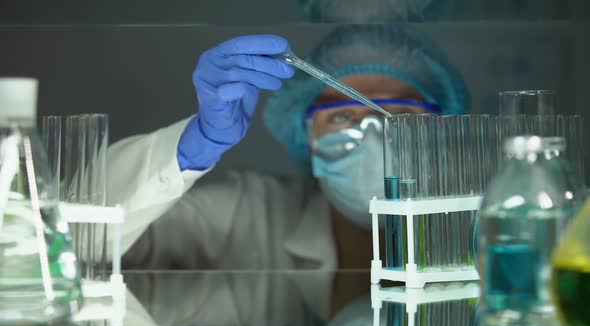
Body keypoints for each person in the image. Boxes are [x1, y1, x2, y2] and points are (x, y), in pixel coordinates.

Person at [106, 24, 468, 269]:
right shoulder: (250, 220)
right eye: (341, 116)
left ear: (441, 131)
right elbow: (73, 245)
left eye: (398, 113)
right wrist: (192, 148)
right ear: (306, 134)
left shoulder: (486, 231)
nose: (372, 131)